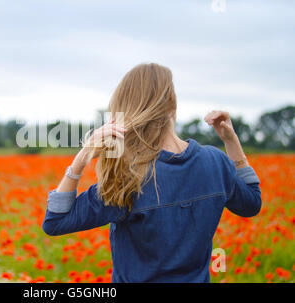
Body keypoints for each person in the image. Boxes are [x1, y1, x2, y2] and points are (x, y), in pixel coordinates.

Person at [42, 63, 261, 282]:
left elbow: (55, 222)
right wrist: (231, 141)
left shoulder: (129, 178)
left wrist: (83, 155)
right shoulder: (216, 162)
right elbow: (251, 203)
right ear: (172, 102)